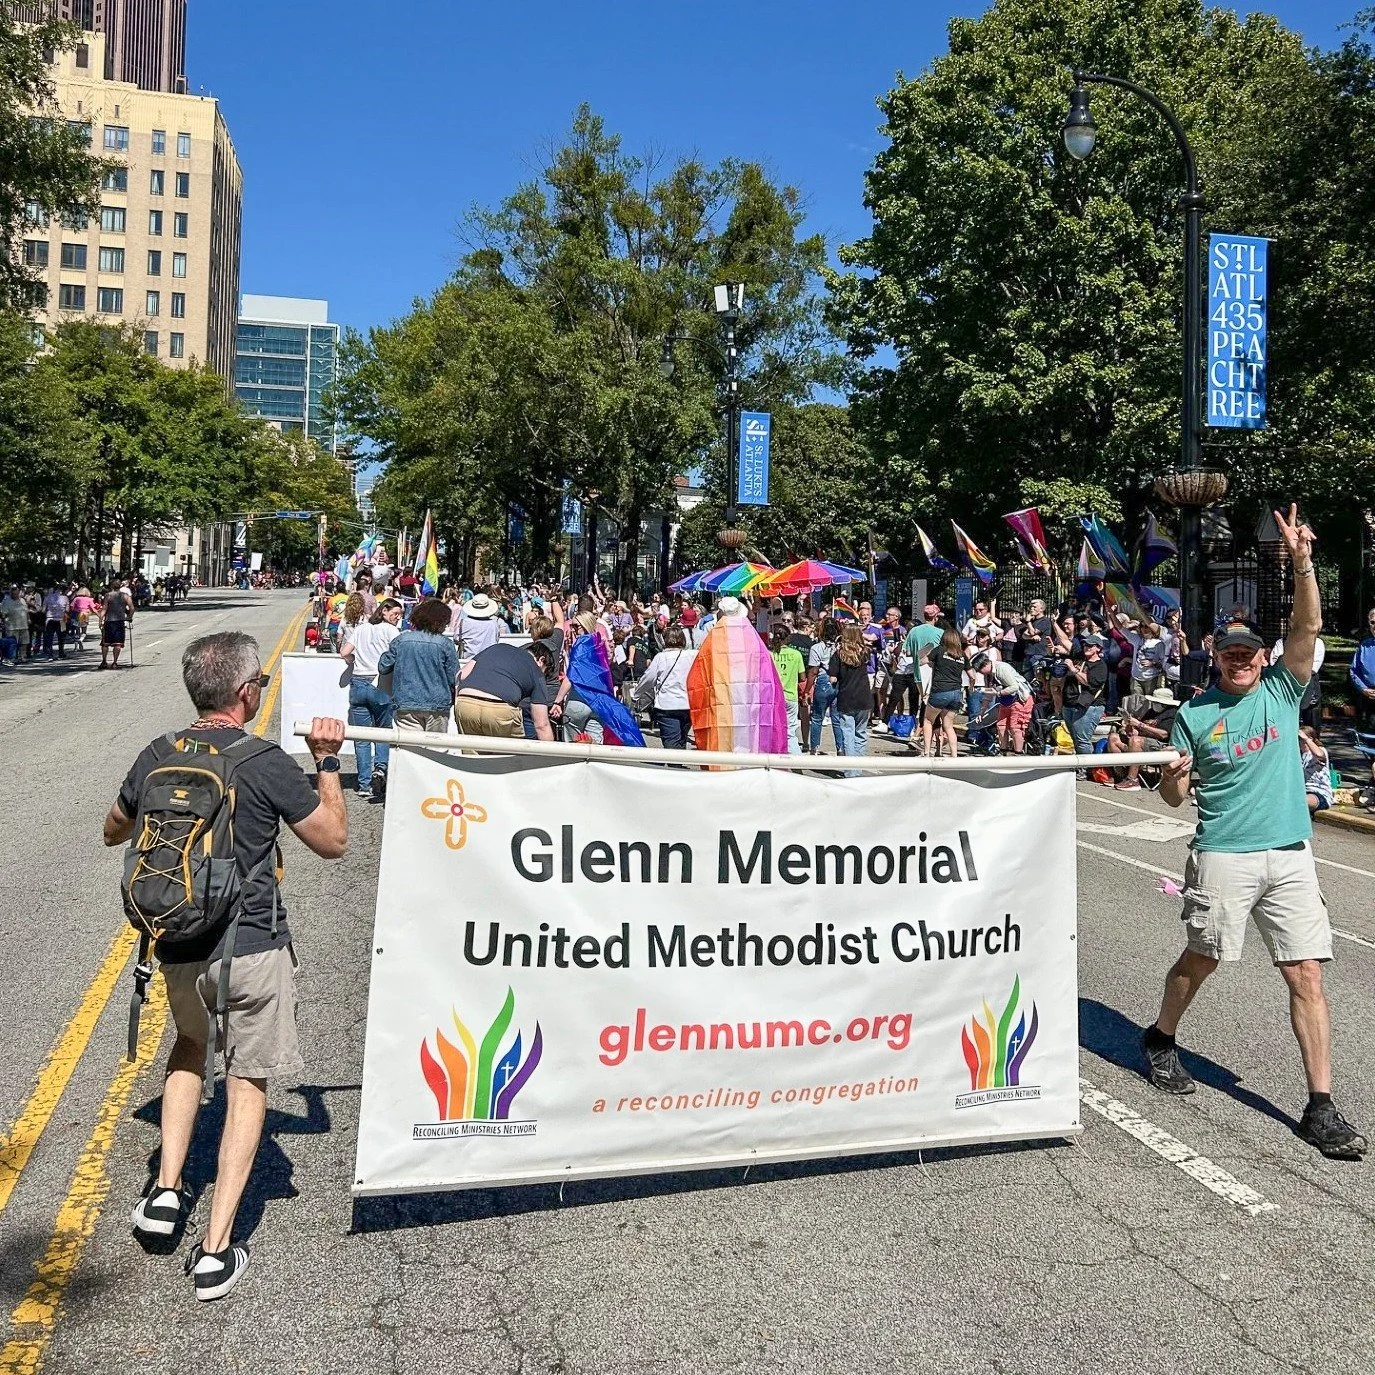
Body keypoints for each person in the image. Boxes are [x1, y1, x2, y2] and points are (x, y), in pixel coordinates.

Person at [103, 632, 348, 1300]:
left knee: (187, 1046)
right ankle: (215, 1250)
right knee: (245, 1079)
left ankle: (164, 1191)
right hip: (251, 945)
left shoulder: (158, 752)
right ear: (245, 693)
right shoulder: (263, 760)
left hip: (178, 941)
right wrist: (326, 762)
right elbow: (331, 841)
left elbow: (113, 828)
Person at [1143, 506, 1365, 1160]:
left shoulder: (1280, 689)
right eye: (1227, 652)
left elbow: (1309, 624)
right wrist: (1175, 776)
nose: (1238, 660)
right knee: (1203, 957)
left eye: (1246, 651)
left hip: (1290, 856)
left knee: (1306, 974)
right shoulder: (1193, 713)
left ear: (1261, 657)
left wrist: (1299, 560)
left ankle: (1319, 1104)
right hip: (1221, 854)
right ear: (1214, 657)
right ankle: (1159, 1036)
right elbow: (1174, 794)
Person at [340, 598, 402, 799]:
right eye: (395, 613)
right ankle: (381, 770)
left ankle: (364, 783)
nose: (398, 618)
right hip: (380, 683)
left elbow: (344, 652)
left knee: (362, 737)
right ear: (384, 611)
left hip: (358, 683)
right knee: (383, 731)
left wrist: (353, 661)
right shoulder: (390, 631)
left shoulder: (361, 629)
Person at [377, 597, 459, 733]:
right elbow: (453, 677)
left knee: (410, 750)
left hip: (406, 702)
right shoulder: (445, 644)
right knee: (435, 750)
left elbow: (383, 667)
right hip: (437, 704)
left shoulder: (401, 640)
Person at [455, 639, 555, 739]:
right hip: (500, 709)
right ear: (541, 660)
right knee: (511, 753)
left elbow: (462, 674)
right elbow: (541, 725)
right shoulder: (536, 670)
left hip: (465, 702)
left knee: (473, 753)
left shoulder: (496, 648)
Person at [633, 625, 696, 748]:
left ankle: (675, 765)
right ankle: (678, 764)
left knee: (671, 741)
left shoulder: (660, 657)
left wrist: (636, 694)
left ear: (664, 640)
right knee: (681, 739)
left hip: (667, 704)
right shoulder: (692, 655)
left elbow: (648, 679)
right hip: (688, 704)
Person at [1104, 686, 1178, 790]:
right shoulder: (1151, 711)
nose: (1153, 704)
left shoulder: (1172, 714)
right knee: (1114, 737)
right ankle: (1120, 776)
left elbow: (1164, 734)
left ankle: (1132, 780)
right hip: (1143, 742)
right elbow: (1138, 730)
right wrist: (1130, 728)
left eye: (1156, 702)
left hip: (1161, 746)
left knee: (1135, 741)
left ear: (1164, 703)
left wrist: (1140, 725)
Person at [828, 623, 872, 775]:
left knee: (848, 734)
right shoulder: (865, 652)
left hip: (846, 698)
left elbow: (833, 679)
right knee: (861, 734)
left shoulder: (838, 655)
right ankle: (857, 770)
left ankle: (850, 771)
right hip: (865, 698)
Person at [922, 626, 966, 759]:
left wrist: (925, 655)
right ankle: (954, 755)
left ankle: (927, 752)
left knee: (928, 720)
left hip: (940, 691)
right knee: (948, 725)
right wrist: (971, 686)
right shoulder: (962, 655)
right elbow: (972, 674)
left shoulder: (940, 650)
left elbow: (923, 661)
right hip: (956, 693)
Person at [1062, 638, 1108, 755]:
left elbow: (1089, 682)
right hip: (1070, 704)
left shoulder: (1100, 666)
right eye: (1085, 645)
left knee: (1082, 741)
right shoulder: (1080, 661)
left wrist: (1073, 669)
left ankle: (1086, 770)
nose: (1086, 647)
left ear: (1098, 648)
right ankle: (1080, 768)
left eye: (1090, 645)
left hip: (1089, 706)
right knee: (1075, 740)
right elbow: (1065, 644)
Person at [806, 616, 842, 755]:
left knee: (817, 717)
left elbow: (813, 671)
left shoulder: (816, 648)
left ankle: (814, 748)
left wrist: (807, 690)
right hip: (839, 681)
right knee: (837, 718)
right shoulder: (841, 647)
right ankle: (840, 748)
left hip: (823, 681)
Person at [770, 627, 806, 756]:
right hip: (791, 696)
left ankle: (778, 756)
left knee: (775, 730)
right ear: (788, 638)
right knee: (790, 732)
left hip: (774, 698)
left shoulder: (771, 654)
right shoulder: (796, 654)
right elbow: (802, 677)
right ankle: (797, 760)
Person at [456, 592, 505, 662]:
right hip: (488, 661)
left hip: (468, 661)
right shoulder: (494, 624)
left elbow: (456, 638)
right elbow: (496, 639)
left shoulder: (464, 623)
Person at [99, 578, 133, 670]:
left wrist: (100, 620)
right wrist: (129, 617)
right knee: (118, 644)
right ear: (120, 586)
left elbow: (104, 609)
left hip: (109, 621)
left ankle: (104, 661)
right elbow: (132, 608)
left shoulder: (108, 595)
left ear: (111, 586)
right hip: (120, 621)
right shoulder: (125, 596)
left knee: (105, 643)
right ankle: (114, 662)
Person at [1299, 724, 1333, 814]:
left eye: (1300, 739)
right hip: (1303, 792)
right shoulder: (1300, 756)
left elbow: (1319, 755)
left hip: (1320, 793)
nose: (1298, 741)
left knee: (1300, 801)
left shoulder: (1321, 750)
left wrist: (1306, 739)